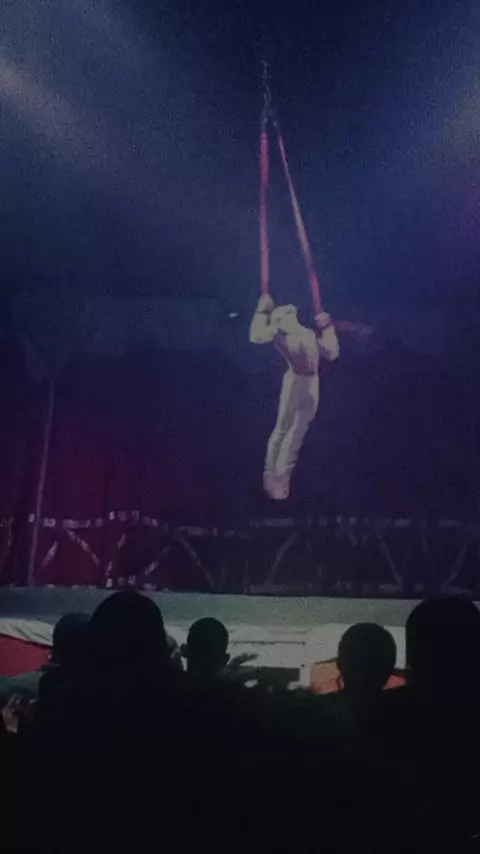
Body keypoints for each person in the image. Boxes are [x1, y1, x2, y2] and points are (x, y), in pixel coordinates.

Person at [249, 294, 339, 499]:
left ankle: (283, 477)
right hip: (294, 381)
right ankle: (271, 476)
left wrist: (327, 328)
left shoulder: (307, 334)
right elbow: (255, 336)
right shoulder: (278, 334)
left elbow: (331, 353)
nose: (285, 320)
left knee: (297, 432)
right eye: (281, 318)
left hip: (312, 383)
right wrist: (261, 312)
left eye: (287, 316)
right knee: (283, 428)